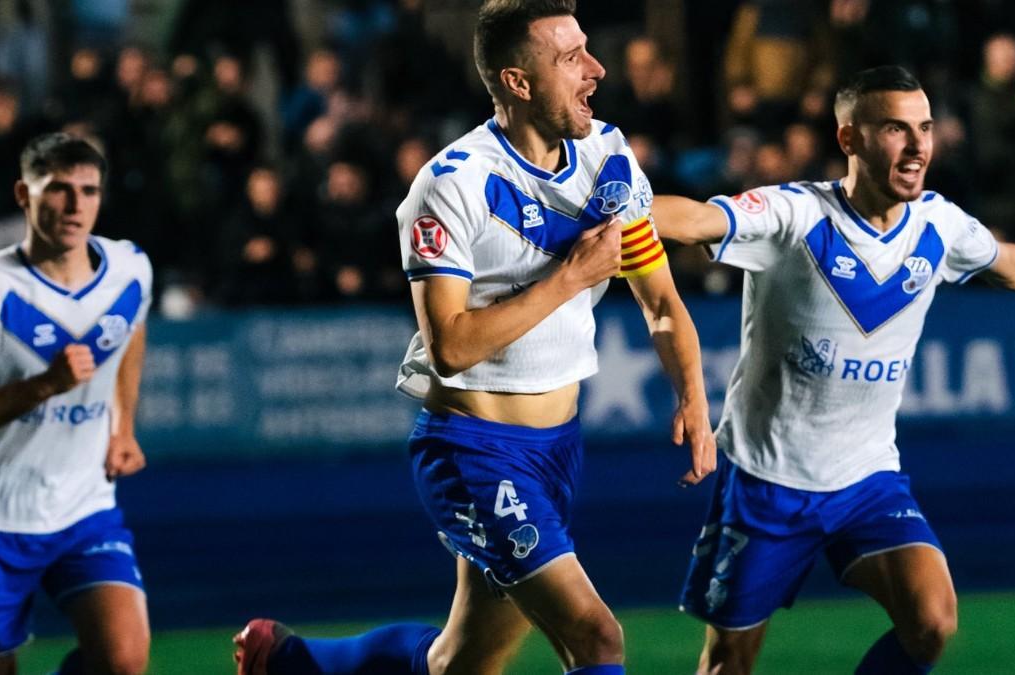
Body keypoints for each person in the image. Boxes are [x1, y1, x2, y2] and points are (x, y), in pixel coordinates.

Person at [233, 2, 717, 674]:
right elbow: (451, 346)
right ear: (518, 82)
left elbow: (660, 300)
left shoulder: (608, 156)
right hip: (474, 449)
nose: (597, 70)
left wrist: (693, 397)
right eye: (571, 57)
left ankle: (289, 661)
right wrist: (571, 276)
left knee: (462, 659)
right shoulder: (450, 185)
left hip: (556, 449)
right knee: (597, 638)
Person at [652, 65, 1015, 674]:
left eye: (924, 128)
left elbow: (1010, 264)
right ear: (850, 139)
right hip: (769, 480)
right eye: (896, 129)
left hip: (867, 479)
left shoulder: (938, 225)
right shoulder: (795, 216)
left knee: (931, 621)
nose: (918, 145)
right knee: (728, 663)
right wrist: (612, 208)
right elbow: (691, 220)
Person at [0, 132, 154, 674]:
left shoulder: (130, 268)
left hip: (84, 509)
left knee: (124, 661)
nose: (76, 205)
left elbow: (133, 328)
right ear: (23, 195)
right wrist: (43, 386)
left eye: (89, 190)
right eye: (59, 189)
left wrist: (123, 425)